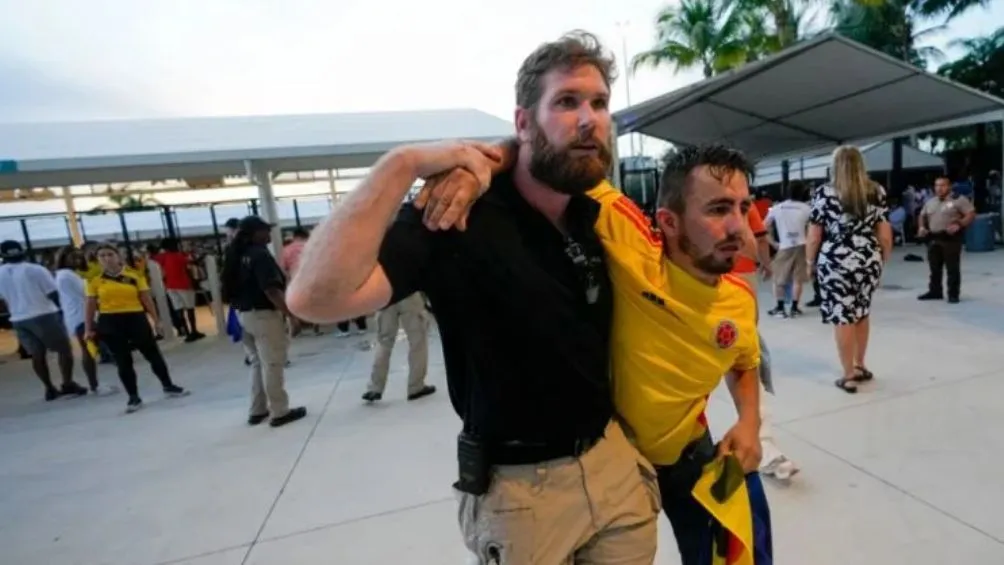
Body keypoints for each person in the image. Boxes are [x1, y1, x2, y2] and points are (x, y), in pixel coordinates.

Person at [288, 31, 661, 564]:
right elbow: (313, 297)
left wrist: (499, 156)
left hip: (614, 470)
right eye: (566, 102)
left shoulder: (593, 212)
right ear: (523, 122)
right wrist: (404, 163)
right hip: (522, 496)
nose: (589, 119)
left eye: (599, 103)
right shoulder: (455, 216)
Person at [806, 146, 893, 394]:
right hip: (868, 257)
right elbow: (884, 232)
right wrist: (881, 260)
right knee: (862, 312)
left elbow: (814, 234)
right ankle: (860, 364)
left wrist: (810, 262)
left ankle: (848, 375)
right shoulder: (876, 191)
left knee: (842, 314)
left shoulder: (824, 193)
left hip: (835, 259)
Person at [221, 216, 307, 427]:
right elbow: (271, 290)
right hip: (263, 316)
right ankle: (280, 411)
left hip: (244, 316)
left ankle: (257, 410)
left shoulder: (235, 255)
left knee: (257, 364)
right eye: (265, 230)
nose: (269, 234)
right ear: (254, 233)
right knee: (273, 363)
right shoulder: (259, 255)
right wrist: (292, 316)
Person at [84, 244, 189, 412]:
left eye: (110, 254)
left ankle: (168, 385)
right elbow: (90, 304)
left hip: (135, 317)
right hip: (110, 321)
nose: (106, 258)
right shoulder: (94, 280)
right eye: (102, 256)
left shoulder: (133, 275)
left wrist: (156, 320)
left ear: (118, 256)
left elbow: (146, 298)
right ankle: (133, 397)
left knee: (152, 353)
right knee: (123, 361)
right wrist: (88, 328)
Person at [0, 240, 88, 401]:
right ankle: (67, 383)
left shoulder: (1, 273)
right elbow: (52, 293)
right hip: (44, 314)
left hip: (19, 318)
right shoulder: (35, 269)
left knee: (36, 354)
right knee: (64, 350)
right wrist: (62, 313)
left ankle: (49, 388)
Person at [54, 246, 118, 395]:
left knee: (90, 350)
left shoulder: (66, 274)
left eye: (78, 256)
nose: (77, 259)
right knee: (88, 351)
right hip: (81, 317)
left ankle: (95, 384)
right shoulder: (67, 275)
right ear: (64, 258)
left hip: (77, 316)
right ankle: (95, 386)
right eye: (72, 257)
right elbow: (88, 293)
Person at [362, 292, 435, 403]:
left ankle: (375, 388)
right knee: (417, 341)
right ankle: (416, 386)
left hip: (384, 297)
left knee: (384, 343)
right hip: (408, 294)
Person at [917, 175, 975, 304]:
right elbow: (922, 215)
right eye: (937, 185)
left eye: (942, 185)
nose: (939, 188)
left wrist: (960, 223)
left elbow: (971, 214)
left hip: (950, 238)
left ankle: (953, 294)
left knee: (952, 268)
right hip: (933, 237)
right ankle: (935, 291)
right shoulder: (930, 201)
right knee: (934, 267)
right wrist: (921, 227)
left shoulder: (958, 200)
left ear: (949, 186)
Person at [764, 180, 811, 318]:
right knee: (798, 279)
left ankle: (780, 308)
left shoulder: (777, 208)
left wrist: (773, 243)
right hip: (802, 245)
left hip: (784, 245)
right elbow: (813, 227)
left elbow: (764, 227)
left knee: (779, 278)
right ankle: (795, 308)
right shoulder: (806, 208)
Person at [154, 238, 205, 342]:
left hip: (170, 286)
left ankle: (186, 332)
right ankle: (194, 331)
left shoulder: (162, 257)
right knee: (190, 309)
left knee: (179, 309)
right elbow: (193, 262)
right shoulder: (179, 256)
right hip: (184, 285)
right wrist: (203, 256)